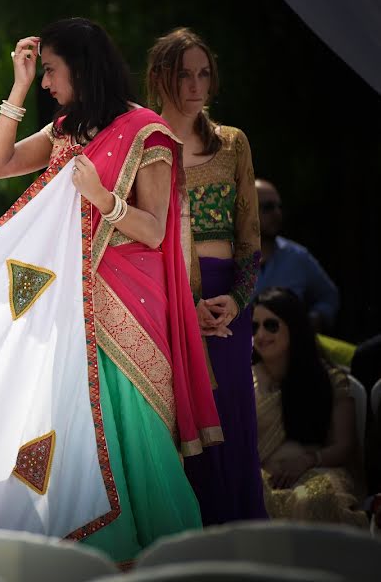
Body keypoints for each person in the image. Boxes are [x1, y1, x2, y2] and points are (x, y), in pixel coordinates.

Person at [0, 18, 221, 562]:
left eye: (49, 71)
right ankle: (97, 558)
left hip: (130, 307)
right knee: (80, 432)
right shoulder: (68, 128)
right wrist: (16, 88)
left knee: (135, 435)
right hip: (72, 306)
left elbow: (155, 229)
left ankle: (169, 559)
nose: (45, 83)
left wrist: (99, 197)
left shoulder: (147, 131)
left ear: (81, 67)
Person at [147, 27, 266, 525]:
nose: (196, 86)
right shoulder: (144, 147)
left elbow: (249, 243)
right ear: (160, 79)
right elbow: (141, 243)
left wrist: (235, 303)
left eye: (203, 74)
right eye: (184, 75)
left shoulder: (233, 144)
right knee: (184, 437)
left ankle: (243, 551)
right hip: (170, 305)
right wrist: (182, 307)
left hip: (228, 309)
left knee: (235, 428)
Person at [252, 287, 366, 526]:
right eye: (255, 327)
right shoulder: (244, 380)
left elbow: (344, 446)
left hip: (318, 472)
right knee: (250, 496)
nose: (261, 334)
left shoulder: (328, 380)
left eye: (271, 325)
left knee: (312, 500)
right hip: (262, 478)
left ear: (294, 327)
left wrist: (307, 460)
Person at [254, 178, 340, 331]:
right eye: (268, 207)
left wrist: (313, 320)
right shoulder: (226, 258)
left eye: (279, 207)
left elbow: (329, 297)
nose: (277, 213)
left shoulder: (298, 257)